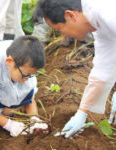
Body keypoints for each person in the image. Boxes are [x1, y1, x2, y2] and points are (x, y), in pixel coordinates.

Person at [33, 0, 116, 138]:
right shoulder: (99, 26)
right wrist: (81, 113)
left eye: (60, 30)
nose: (63, 36)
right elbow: (102, 71)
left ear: (70, 16)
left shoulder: (109, 13)